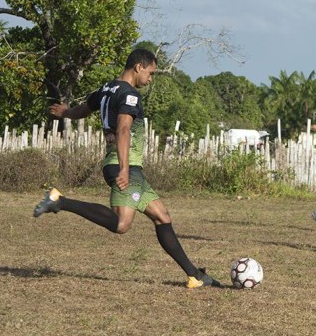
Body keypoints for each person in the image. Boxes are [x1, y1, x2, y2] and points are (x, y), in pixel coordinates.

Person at [33, 49, 220, 288]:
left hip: (128, 168)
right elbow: (123, 130)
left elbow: (84, 108)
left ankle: (195, 275)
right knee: (121, 224)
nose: (150, 79)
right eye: (151, 73)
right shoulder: (130, 95)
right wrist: (123, 169)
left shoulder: (106, 89)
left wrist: (66, 112)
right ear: (138, 67)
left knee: (162, 217)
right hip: (126, 167)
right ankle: (60, 201)